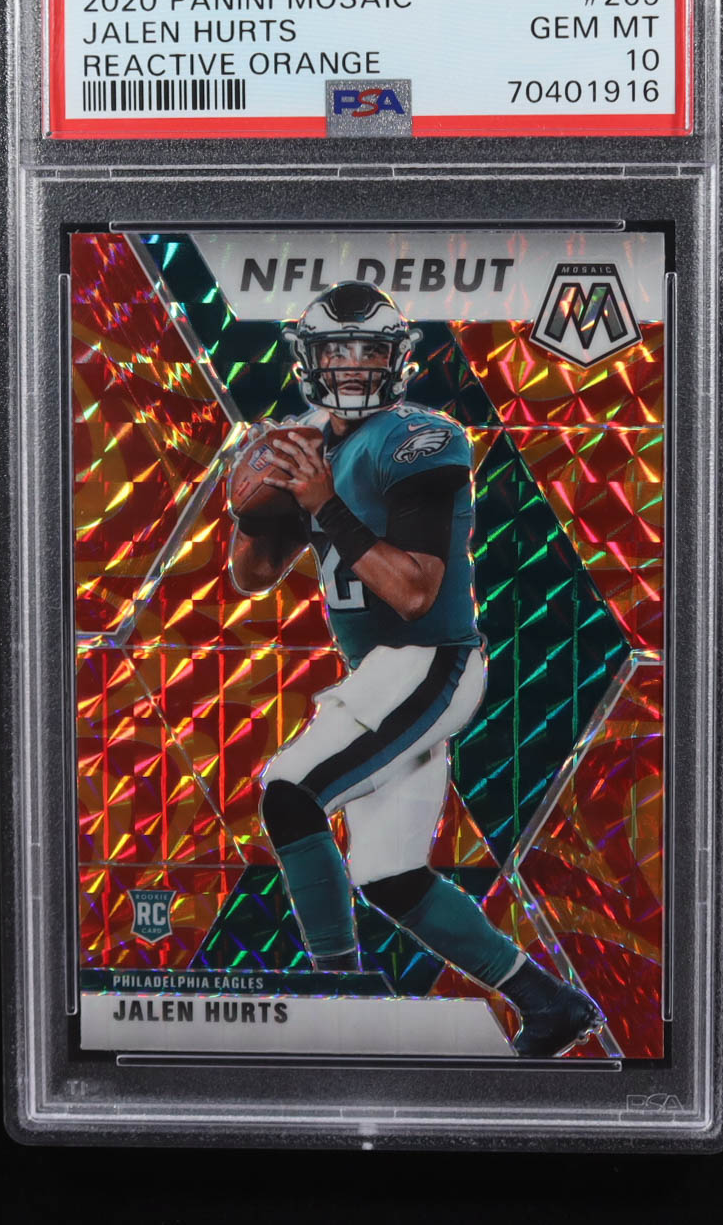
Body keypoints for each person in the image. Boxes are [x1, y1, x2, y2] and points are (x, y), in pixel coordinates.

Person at [227, 280, 604, 1057]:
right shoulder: (308, 441)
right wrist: (253, 507)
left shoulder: (420, 438)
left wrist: (323, 503)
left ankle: (338, 997)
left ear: (394, 358)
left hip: (429, 660)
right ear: (310, 358)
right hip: (380, 674)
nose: (352, 365)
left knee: (290, 791)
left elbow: (412, 592)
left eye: (367, 350)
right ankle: (550, 1002)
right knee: (389, 874)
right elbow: (252, 576)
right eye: (337, 350)